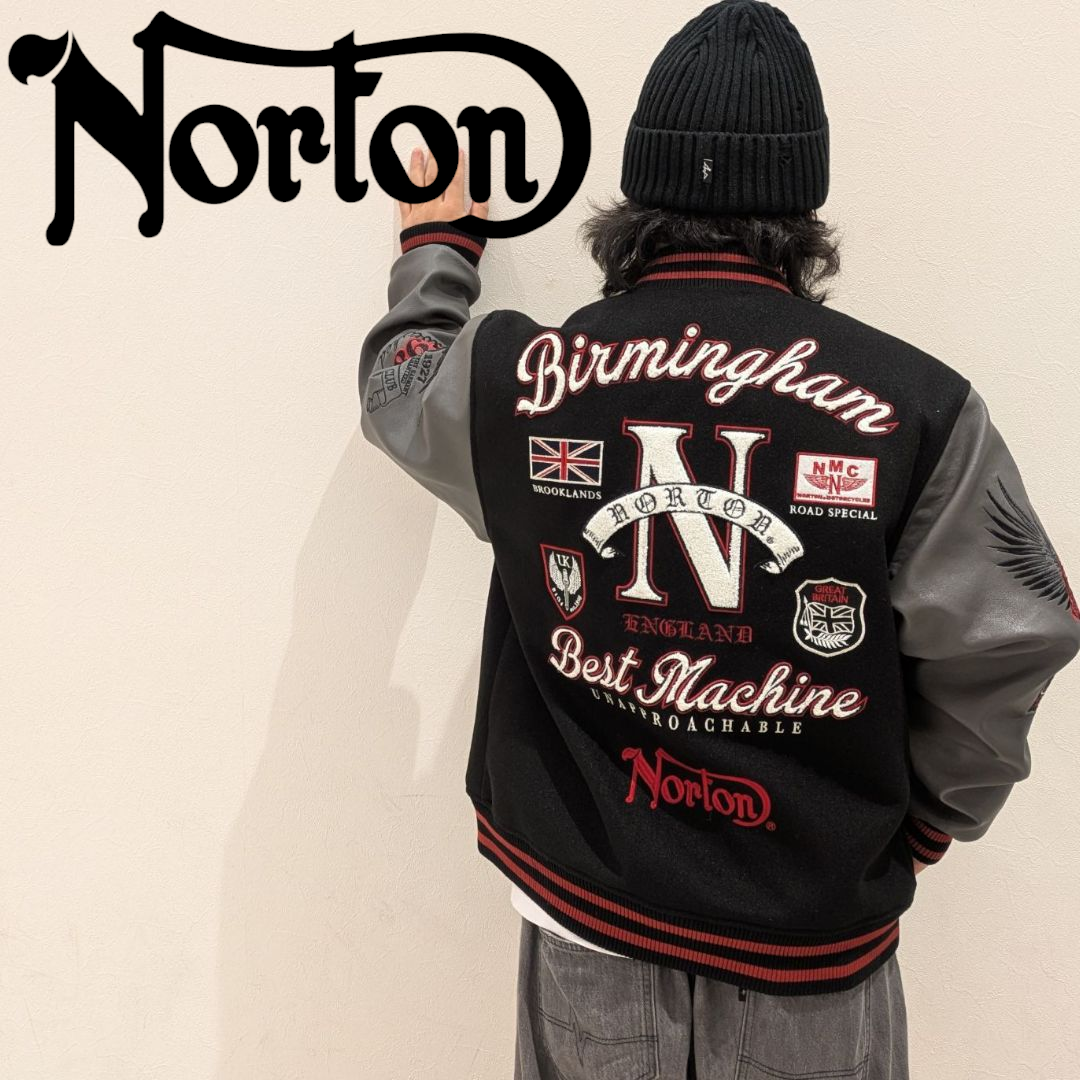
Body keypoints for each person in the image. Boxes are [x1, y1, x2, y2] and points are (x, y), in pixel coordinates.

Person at [357, 1, 1080, 1076]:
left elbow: (398, 390)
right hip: (810, 949)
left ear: (637, 194)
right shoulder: (919, 408)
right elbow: (1016, 632)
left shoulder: (525, 380)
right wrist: (925, 824)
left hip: (586, 925)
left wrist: (437, 249)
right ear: (803, 208)